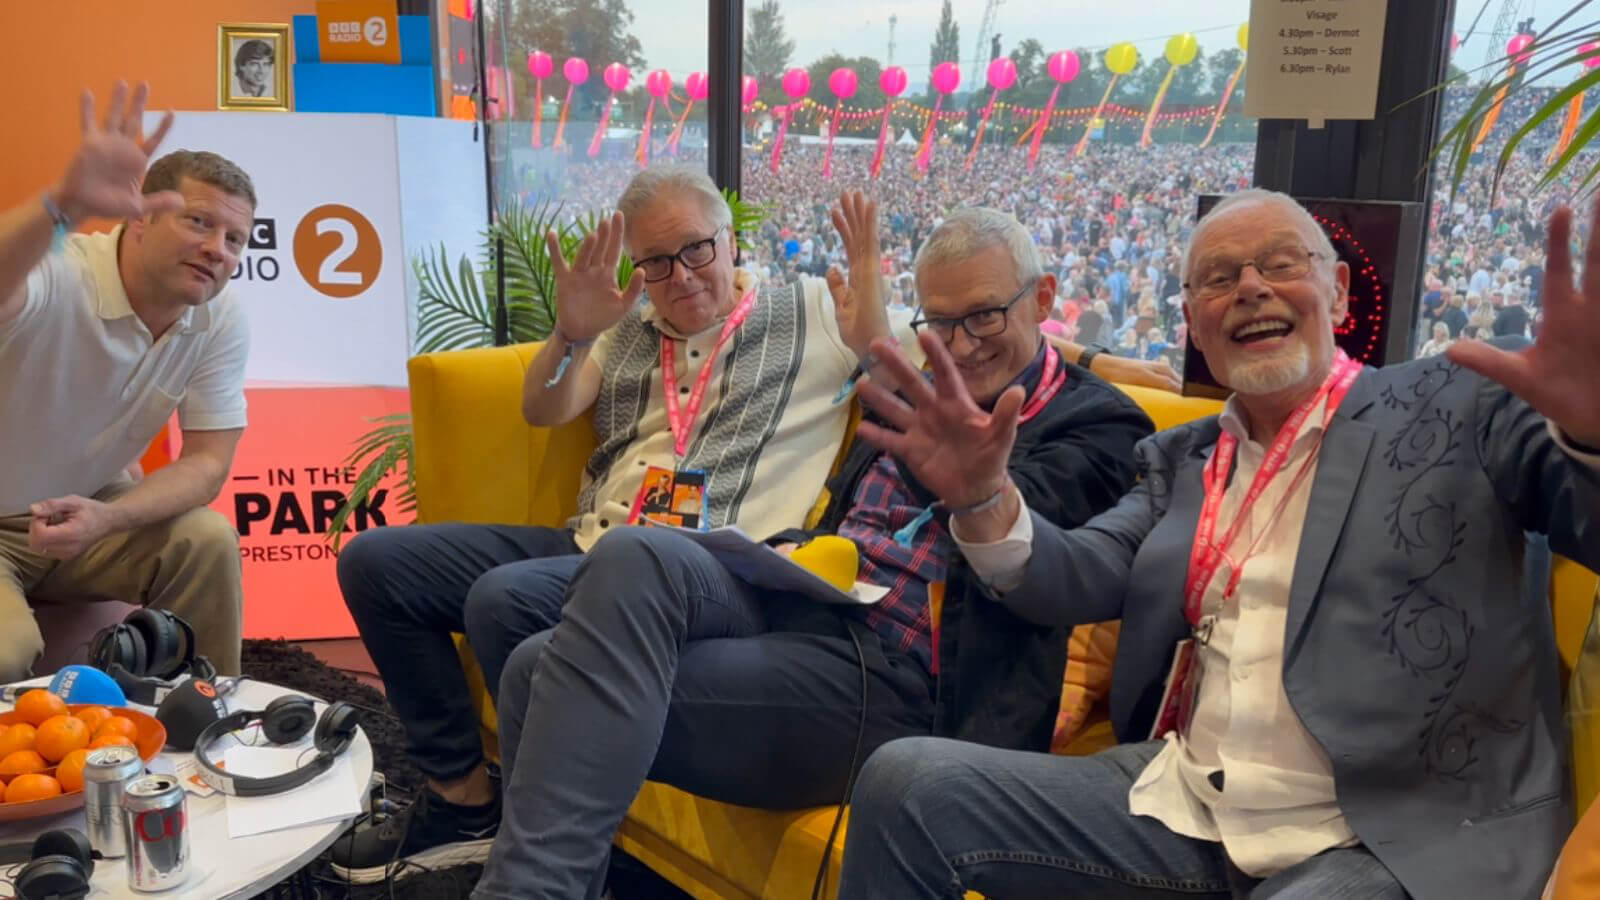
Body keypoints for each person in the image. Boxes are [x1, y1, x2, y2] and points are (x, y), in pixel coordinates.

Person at [333, 165, 1179, 883]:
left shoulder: (1095, 427)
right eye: (941, 324)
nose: (957, 345)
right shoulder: (650, 334)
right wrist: (571, 328)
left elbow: (1044, 572)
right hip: (798, 589)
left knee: (533, 664)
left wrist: (983, 484)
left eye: (984, 317)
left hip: (902, 674)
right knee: (622, 564)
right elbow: (543, 407)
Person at [836, 188, 1600, 900]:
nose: (1250, 288)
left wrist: (1591, 434)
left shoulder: (1455, 405)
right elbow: (1069, 576)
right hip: (1187, 804)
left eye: (1279, 263)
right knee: (906, 784)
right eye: (1218, 278)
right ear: (1195, 325)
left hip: (1387, 828)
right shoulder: (1184, 460)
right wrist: (982, 498)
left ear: (1336, 293)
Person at [0, 82, 253, 681]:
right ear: (139, 218)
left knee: (205, 541)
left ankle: (201, 728)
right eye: (199, 222)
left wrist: (107, 517)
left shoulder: (219, 316)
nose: (218, 250)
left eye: (235, 239)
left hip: (83, 507)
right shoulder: (62, 276)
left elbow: (207, 463)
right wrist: (61, 202)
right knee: (7, 651)